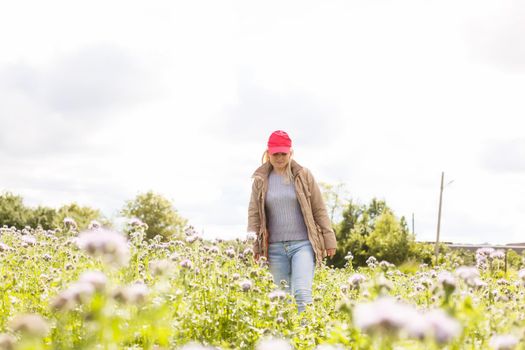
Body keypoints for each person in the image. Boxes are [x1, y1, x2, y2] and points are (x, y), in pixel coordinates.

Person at [247, 130, 337, 313]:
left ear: (290, 153)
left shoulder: (303, 175)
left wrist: (329, 239)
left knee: (302, 294)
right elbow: (254, 214)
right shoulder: (260, 180)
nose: (279, 158)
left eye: (283, 153)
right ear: (268, 153)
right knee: (282, 298)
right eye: (275, 154)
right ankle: (286, 341)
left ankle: (305, 339)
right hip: (274, 249)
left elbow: (319, 209)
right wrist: (253, 246)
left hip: (303, 245)